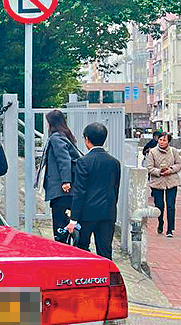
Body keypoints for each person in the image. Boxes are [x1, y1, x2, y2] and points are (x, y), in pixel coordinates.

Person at [67, 121, 121, 259]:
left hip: (87, 214)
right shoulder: (114, 162)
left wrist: (73, 219)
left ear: (87, 139)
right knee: (105, 251)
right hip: (108, 213)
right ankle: (106, 278)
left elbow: (79, 192)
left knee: (82, 250)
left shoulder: (83, 162)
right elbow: (115, 189)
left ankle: (86, 278)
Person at [41, 109, 80, 239]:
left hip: (62, 189)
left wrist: (66, 181)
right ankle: (72, 234)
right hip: (67, 189)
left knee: (58, 221)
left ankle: (64, 243)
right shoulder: (66, 136)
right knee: (63, 217)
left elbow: (63, 159)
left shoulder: (56, 137)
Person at [144, 131, 181, 237]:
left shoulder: (173, 151)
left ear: (168, 141)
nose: (162, 142)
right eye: (160, 139)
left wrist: (170, 170)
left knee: (171, 206)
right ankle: (160, 223)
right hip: (157, 182)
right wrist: (159, 171)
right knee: (159, 205)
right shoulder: (152, 152)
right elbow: (149, 167)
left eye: (164, 140)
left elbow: (179, 164)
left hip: (171, 181)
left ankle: (170, 229)